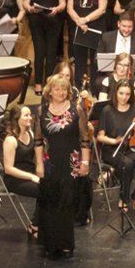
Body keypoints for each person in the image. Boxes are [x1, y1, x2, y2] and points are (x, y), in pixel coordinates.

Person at [37, 75, 90, 257]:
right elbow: (38, 141)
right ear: (49, 91)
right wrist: (38, 165)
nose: (60, 92)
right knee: (51, 201)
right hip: (49, 161)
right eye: (57, 89)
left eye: (64, 89)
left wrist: (85, 162)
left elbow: (85, 138)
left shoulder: (76, 110)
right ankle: (51, 244)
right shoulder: (41, 110)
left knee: (67, 202)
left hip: (71, 161)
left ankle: (66, 244)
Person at [96, 80, 135, 212]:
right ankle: (124, 198)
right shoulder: (107, 110)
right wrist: (114, 141)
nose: (124, 97)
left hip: (128, 148)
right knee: (127, 164)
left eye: (127, 94)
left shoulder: (134, 108)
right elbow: (100, 136)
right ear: (115, 93)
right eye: (121, 93)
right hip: (111, 150)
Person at [24, 0, 67, 95]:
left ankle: (49, 83)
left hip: (53, 21)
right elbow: (25, 3)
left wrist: (57, 9)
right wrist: (30, 9)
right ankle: (38, 84)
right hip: (36, 21)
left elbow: (63, 3)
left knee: (51, 53)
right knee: (39, 52)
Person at [2, 105, 44, 238]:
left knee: (51, 186)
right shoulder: (11, 140)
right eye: (26, 115)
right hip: (15, 179)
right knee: (44, 190)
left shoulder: (30, 133)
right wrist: (31, 177)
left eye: (30, 114)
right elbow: (8, 169)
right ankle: (35, 226)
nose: (30, 118)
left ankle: (40, 223)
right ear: (17, 118)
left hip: (30, 174)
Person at [67, 0, 109, 88]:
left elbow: (102, 9)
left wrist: (85, 19)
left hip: (95, 28)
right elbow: (70, 9)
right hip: (78, 28)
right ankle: (80, 89)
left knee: (95, 60)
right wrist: (79, 22)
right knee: (79, 60)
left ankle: (95, 89)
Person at [98, 11, 135, 77]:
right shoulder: (106, 37)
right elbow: (97, 58)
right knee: (99, 83)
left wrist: (132, 71)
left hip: (131, 75)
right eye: (124, 26)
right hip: (110, 75)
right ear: (118, 24)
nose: (126, 29)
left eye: (129, 27)